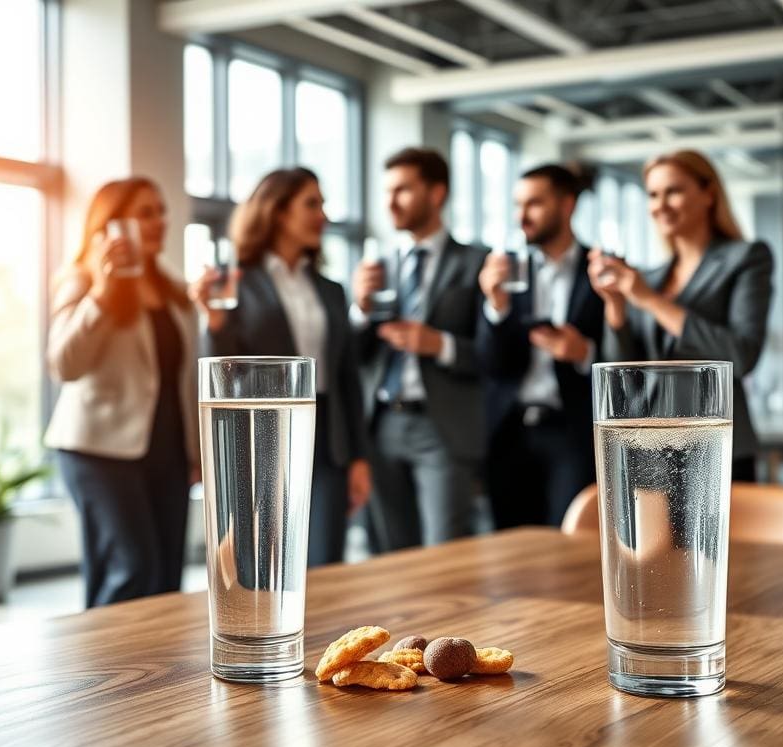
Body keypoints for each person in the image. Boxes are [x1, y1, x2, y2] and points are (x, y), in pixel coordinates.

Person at [192, 167, 372, 567]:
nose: (322, 214)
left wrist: (359, 456)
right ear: (276, 212)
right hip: (263, 433)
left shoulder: (330, 289)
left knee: (325, 559)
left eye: (323, 204)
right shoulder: (236, 279)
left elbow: (347, 375)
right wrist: (214, 323)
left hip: (328, 436)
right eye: (312, 203)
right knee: (264, 562)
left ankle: (328, 633)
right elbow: (223, 370)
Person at [45, 177, 200, 607]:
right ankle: (107, 671)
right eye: (144, 212)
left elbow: (181, 377)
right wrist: (104, 292)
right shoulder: (80, 280)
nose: (159, 221)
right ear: (111, 226)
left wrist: (195, 451)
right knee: (131, 568)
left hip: (166, 449)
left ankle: (157, 672)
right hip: (99, 451)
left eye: (161, 210)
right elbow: (63, 363)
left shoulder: (172, 292)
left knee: (166, 576)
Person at [587, 149, 773, 482]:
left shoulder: (746, 258)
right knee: (649, 538)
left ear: (708, 194)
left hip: (716, 443)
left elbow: (742, 354)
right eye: (653, 195)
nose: (660, 205)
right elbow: (624, 372)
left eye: (673, 191)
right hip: (650, 446)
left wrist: (649, 300)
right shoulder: (653, 276)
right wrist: (615, 306)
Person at [350, 147, 484, 551]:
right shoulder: (377, 267)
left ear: (436, 193)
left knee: (445, 553)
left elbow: (494, 356)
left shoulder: (477, 263)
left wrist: (438, 344)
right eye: (387, 191)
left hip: (441, 427)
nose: (390, 202)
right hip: (383, 425)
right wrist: (359, 307)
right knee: (389, 555)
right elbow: (353, 356)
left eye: (403, 190)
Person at [476, 164, 604, 529]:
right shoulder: (505, 271)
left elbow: (629, 355)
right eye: (518, 204)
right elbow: (489, 363)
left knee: (571, 537)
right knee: (510, 546)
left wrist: (585, 354)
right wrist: (496, 306)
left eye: (534, 204)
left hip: (573, 430)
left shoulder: (600, 269)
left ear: (567, 205)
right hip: (510, 432)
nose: (522, 215)